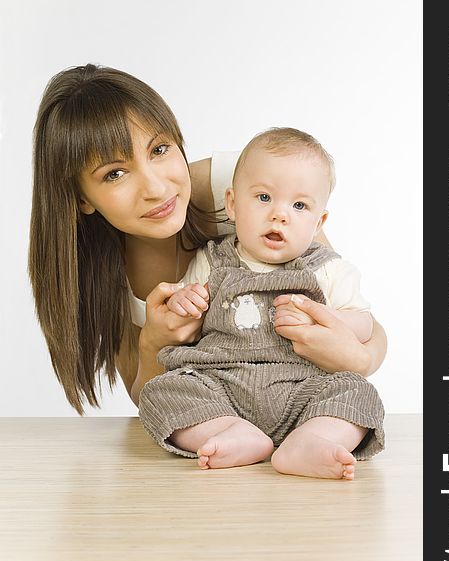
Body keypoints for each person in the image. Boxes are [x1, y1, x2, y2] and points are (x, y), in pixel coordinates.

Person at [29, 63, 387, 427]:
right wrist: (154, 342)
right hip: (221, 411)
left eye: (160, 149)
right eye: (115, 173)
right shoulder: (98, 266)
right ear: (81, 198)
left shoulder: (251, 187)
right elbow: (147, 397)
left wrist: (356, 360)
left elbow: (352, 309)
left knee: (353, 397)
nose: (155, 188)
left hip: (298, 394)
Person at [138, 128, 385, 480]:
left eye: (299, 206)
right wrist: (184, 300)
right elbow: (188, 306)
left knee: (357, 393)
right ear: (233, 204)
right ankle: (229, 432)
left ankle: (311, 439)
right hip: (221, 385)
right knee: (162, 390)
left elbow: (365, 323)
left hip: (304, 389)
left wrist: (329, 318)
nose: (280, 215)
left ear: (319, 222)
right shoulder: (212, 261)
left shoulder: (328, 269)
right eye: (264, 197)